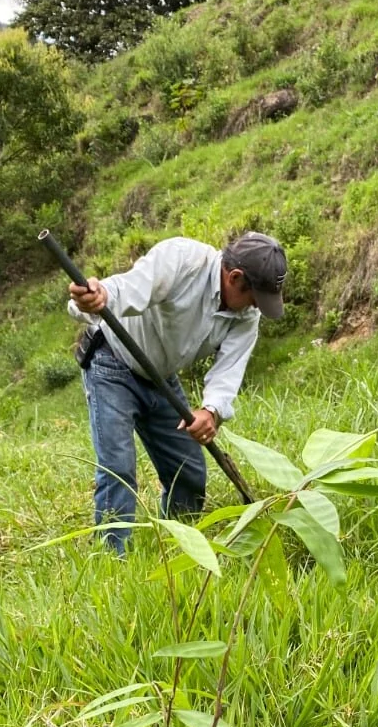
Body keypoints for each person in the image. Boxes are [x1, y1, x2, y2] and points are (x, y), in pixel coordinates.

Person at [68, 231, 287, 552]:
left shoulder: (246, 315)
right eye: (254, 297)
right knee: (118, 469)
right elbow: (128, 288)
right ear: (235, 277)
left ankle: (174, 550)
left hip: (161, 377)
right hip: (112, 361)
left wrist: (211, 411)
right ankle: (110, 561)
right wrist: (97, 296)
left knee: (190, 474)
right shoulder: (183, 260)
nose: (256, 307)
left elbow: (230, 369)